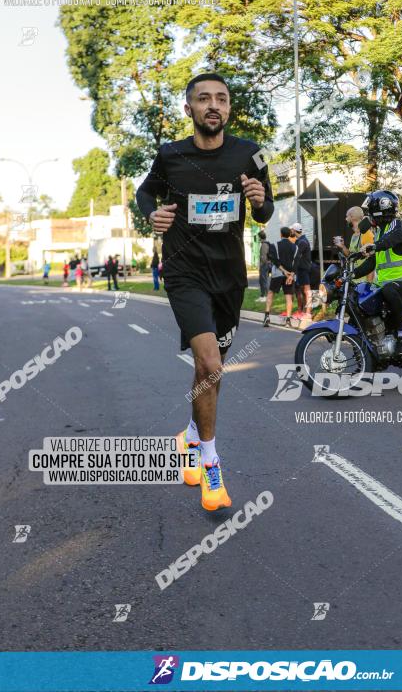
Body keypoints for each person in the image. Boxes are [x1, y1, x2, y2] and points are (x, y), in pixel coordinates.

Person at [136, 72, 274, 511]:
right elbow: (144, 194)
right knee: (210, 363)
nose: (213, 105)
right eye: (203, 99)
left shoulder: (251, 154)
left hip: (230, 277)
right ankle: (210, 464)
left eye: (221, 98)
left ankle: (192, 433)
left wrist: (257, 200)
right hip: (185, 272)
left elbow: (266, 209)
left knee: (208, 373)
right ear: (189, 108)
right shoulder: (170, 155)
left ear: (229, 108)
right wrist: (151, 216)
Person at [354, 190, 402, 356]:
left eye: (370, 214)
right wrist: (350, 274)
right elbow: (373, 262)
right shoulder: (380, 233)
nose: (368, 218)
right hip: (385, 286)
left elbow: (393, 239)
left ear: (381, 210)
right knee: (361, 297)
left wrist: (374, 246)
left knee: (388, 289)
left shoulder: (400, 226)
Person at [263, 227, 298, 327]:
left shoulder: (275, 245)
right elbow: (296, 263)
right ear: (289, 235)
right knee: (288, 297)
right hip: (289, 276)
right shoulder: (295, 247)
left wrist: (283, 271)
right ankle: (288, 320)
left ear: (281, 234)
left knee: (270, 293)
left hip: (277, 274)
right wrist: (291, 274)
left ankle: (267, 316)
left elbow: (274, 260)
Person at [333, 206, 374, 285]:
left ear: (352, 217)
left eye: (347, 216)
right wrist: (342, 246)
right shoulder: (354, 235)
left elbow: (372, 261)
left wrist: (368, 285)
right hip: (355, 281)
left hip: (363, 283)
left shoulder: (366, 234)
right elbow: (351, 255)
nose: (346, 219)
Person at [291, 222, 312, 319]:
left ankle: (308, 313)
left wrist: (292, 271)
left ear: (295, 231)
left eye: (292, 230)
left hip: (303, 269)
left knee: (307, 291)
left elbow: (297, 257)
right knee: (301, 290)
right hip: (301, 269)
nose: (291, 231)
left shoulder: (302, 242)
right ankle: (302, 311)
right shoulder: (300, 240)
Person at [258, 230, 271, 302]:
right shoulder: (265, 244)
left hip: (264, 265)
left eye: (258, 237)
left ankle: (266, 296)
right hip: (266, 264)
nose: (258, 239)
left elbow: (263, 257)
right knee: (263, 280)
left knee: (264, 280)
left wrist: (261, 265)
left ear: (260, 237)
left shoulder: (264, 245)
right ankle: (263, 295)